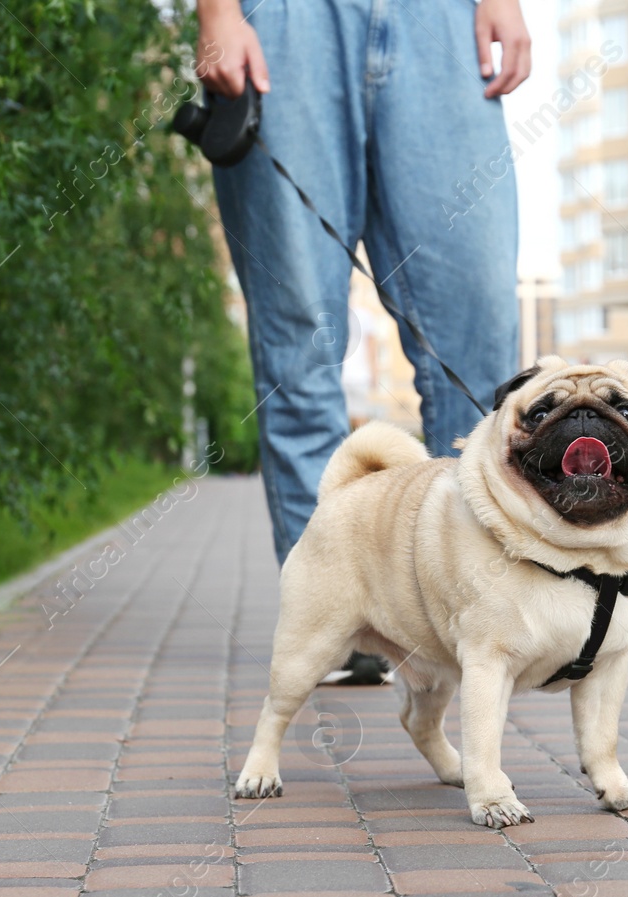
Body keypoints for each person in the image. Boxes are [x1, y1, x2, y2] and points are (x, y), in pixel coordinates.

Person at [197, 0, 531, 682]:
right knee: (298, 343)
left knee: (478, 331)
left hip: (442, 22)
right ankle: (331, 617)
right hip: (287, 25)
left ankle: (468, 602)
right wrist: (217, 13)